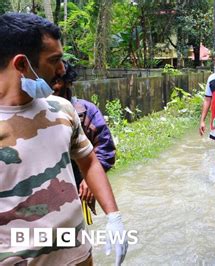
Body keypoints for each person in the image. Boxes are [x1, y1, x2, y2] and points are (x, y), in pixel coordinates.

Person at [0, 13, 127, 265]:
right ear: (22, 64)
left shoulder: (62, 109)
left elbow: (89, 161)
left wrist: (114, 217)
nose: (61, 69)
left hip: (78, 254)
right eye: (55, 60)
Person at [52, 61, 117, 220]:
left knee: (80, 231)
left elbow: (105, 150)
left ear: (68, 82)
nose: (50, 87)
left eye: (56, 81)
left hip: (80, 185)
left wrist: (89, 180)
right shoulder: (35, 112)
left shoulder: (86, 111)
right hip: (49, 190)